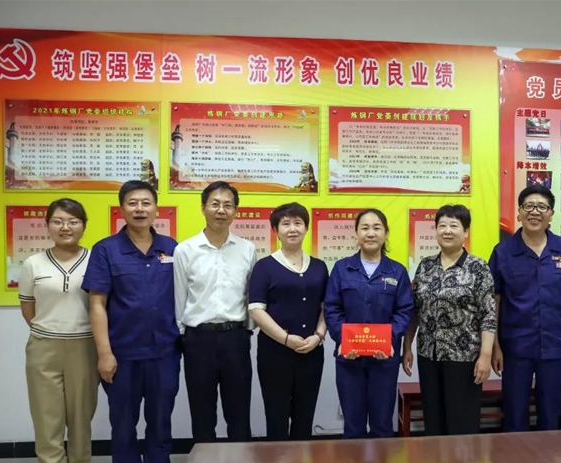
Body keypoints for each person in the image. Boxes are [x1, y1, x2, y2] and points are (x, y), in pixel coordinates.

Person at [82, 180, 180, 463]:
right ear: (122, 209)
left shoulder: (171, 248)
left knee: (160, 422)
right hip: (122, 354)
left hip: (165, 351)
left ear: (156, 208)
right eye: (133, 203)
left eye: (146, 203)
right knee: (123, 425)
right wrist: (104, 353)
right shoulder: (106, 250)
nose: (139, 209)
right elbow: (97, 304)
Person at [18, 199, 98, 463]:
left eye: (73, 221)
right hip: (44, 347)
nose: (66, 227)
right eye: (58, 221)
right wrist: (50, 329)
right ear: (48, 225)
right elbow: (28, 308)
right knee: (47, 422)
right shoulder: (33, 264)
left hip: (85, 346)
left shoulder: (95, 260)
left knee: (80, 421)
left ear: (83, 225)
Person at [488, 185, 561, 432]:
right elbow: (495, 301)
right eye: (529, 206)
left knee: (551, 412)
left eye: (542, 207)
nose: (535, 212)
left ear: (551, 214)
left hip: (556, 343)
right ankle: (515, 457)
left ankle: (549, 457)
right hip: (515, 345)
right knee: (514, 413)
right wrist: (495, 346)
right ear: (519, 212)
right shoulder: (503, 252)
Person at [173, 181, 257, 444]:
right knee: (202, 412)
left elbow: (250, 295)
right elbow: (179, 296)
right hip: (198, 340)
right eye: (215, 204)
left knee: (239, 411)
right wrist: (183, 336)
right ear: (203, 208)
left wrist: (247, 330)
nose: (221, 210)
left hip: (235, 338)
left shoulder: (247, 249)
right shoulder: (185, 250)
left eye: (228, 205)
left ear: (235, 211)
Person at [404, 204, 495, 436]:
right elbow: (415, 310)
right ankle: (437, 461)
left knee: (461, 424)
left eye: (454, 225)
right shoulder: (425, 266)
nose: (447, 230)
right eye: (442, 225)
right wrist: (407, 347)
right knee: (433, 422)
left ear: (466, 232)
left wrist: (485, 356)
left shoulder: (478, 267)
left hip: (464, 358)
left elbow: (488, 315)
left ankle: (461, 462)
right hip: (428, 356)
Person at [324, 209, 414, 439]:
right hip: (349, 359)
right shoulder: (342, 269)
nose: (370, 233)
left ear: (386, 233)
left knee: (382, 426)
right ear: (356, 233)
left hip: (385, 359)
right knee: (352, 427)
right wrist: (344, 340)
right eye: (364, 228)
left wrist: (389, 339)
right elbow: (332, 308)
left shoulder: (397, 271)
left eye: (376, 228)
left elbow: (404, 310)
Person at [248, 202, 329, 441]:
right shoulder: (264, 267)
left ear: (306, 228)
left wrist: (318, 336)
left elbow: (326, 307)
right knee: (277, 417)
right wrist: (285, 339)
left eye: (297, 223)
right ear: (276, 230)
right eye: (285, 224)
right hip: (275, 353)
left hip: (311, 352)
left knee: (305, 416)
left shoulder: (319, 267)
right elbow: (256, 310)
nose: (292, 229)